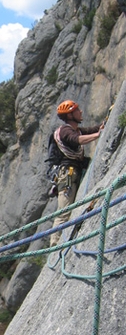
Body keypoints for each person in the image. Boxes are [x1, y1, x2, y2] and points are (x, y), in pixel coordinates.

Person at [50, 99, 104, 246]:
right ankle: (55, 245)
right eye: (77, 110)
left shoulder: (75, 129)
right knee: (64, 211)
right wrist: (98, 135)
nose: (81, 112)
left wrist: (103, 125)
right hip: (67, 174)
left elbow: (92, 129)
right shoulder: (65, 131)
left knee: (68, 210)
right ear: (70, 115)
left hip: (73, 172)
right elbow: (77, 140)